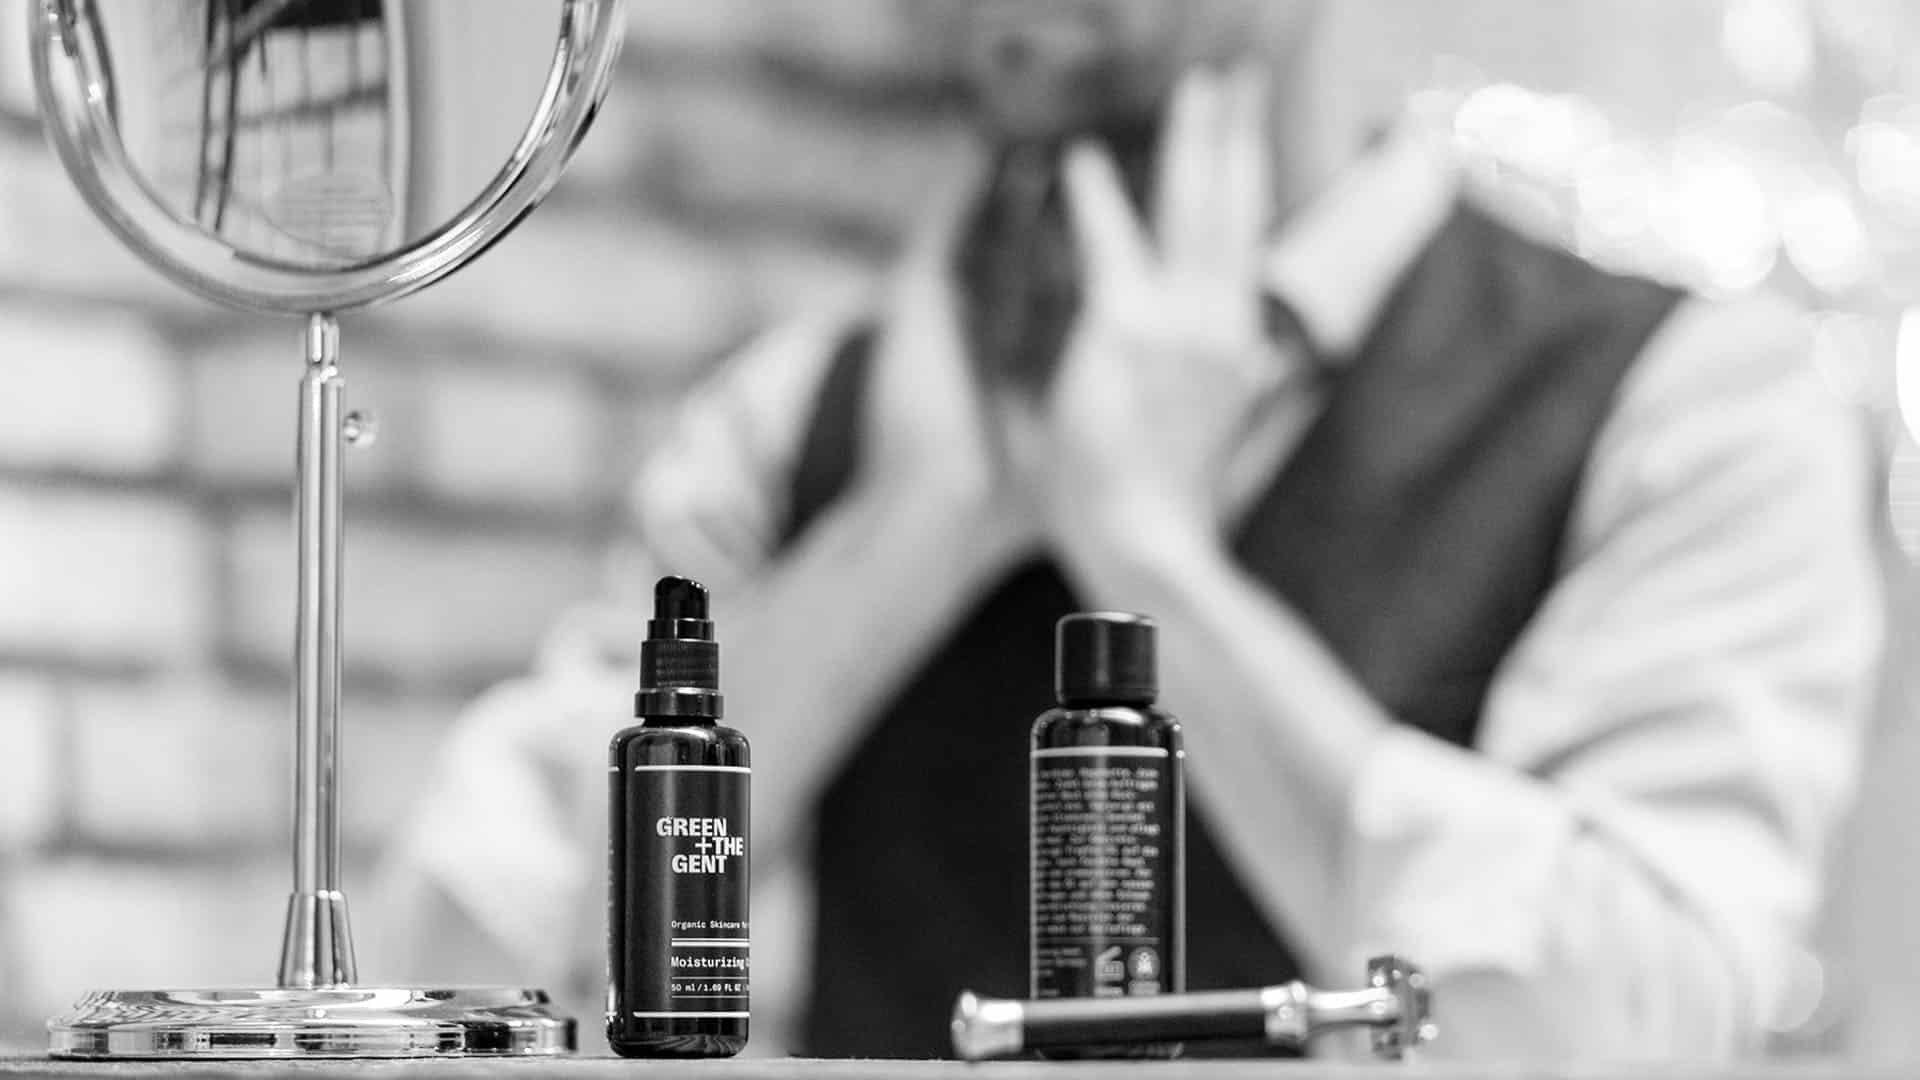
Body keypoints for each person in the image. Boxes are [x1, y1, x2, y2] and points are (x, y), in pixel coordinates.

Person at [380, 0, 1883, 1060]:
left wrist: (1152, 558)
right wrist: (900, 538)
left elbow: (1631, 1034)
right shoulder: (799, 423)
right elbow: (443, 994)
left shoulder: (1687, 406)